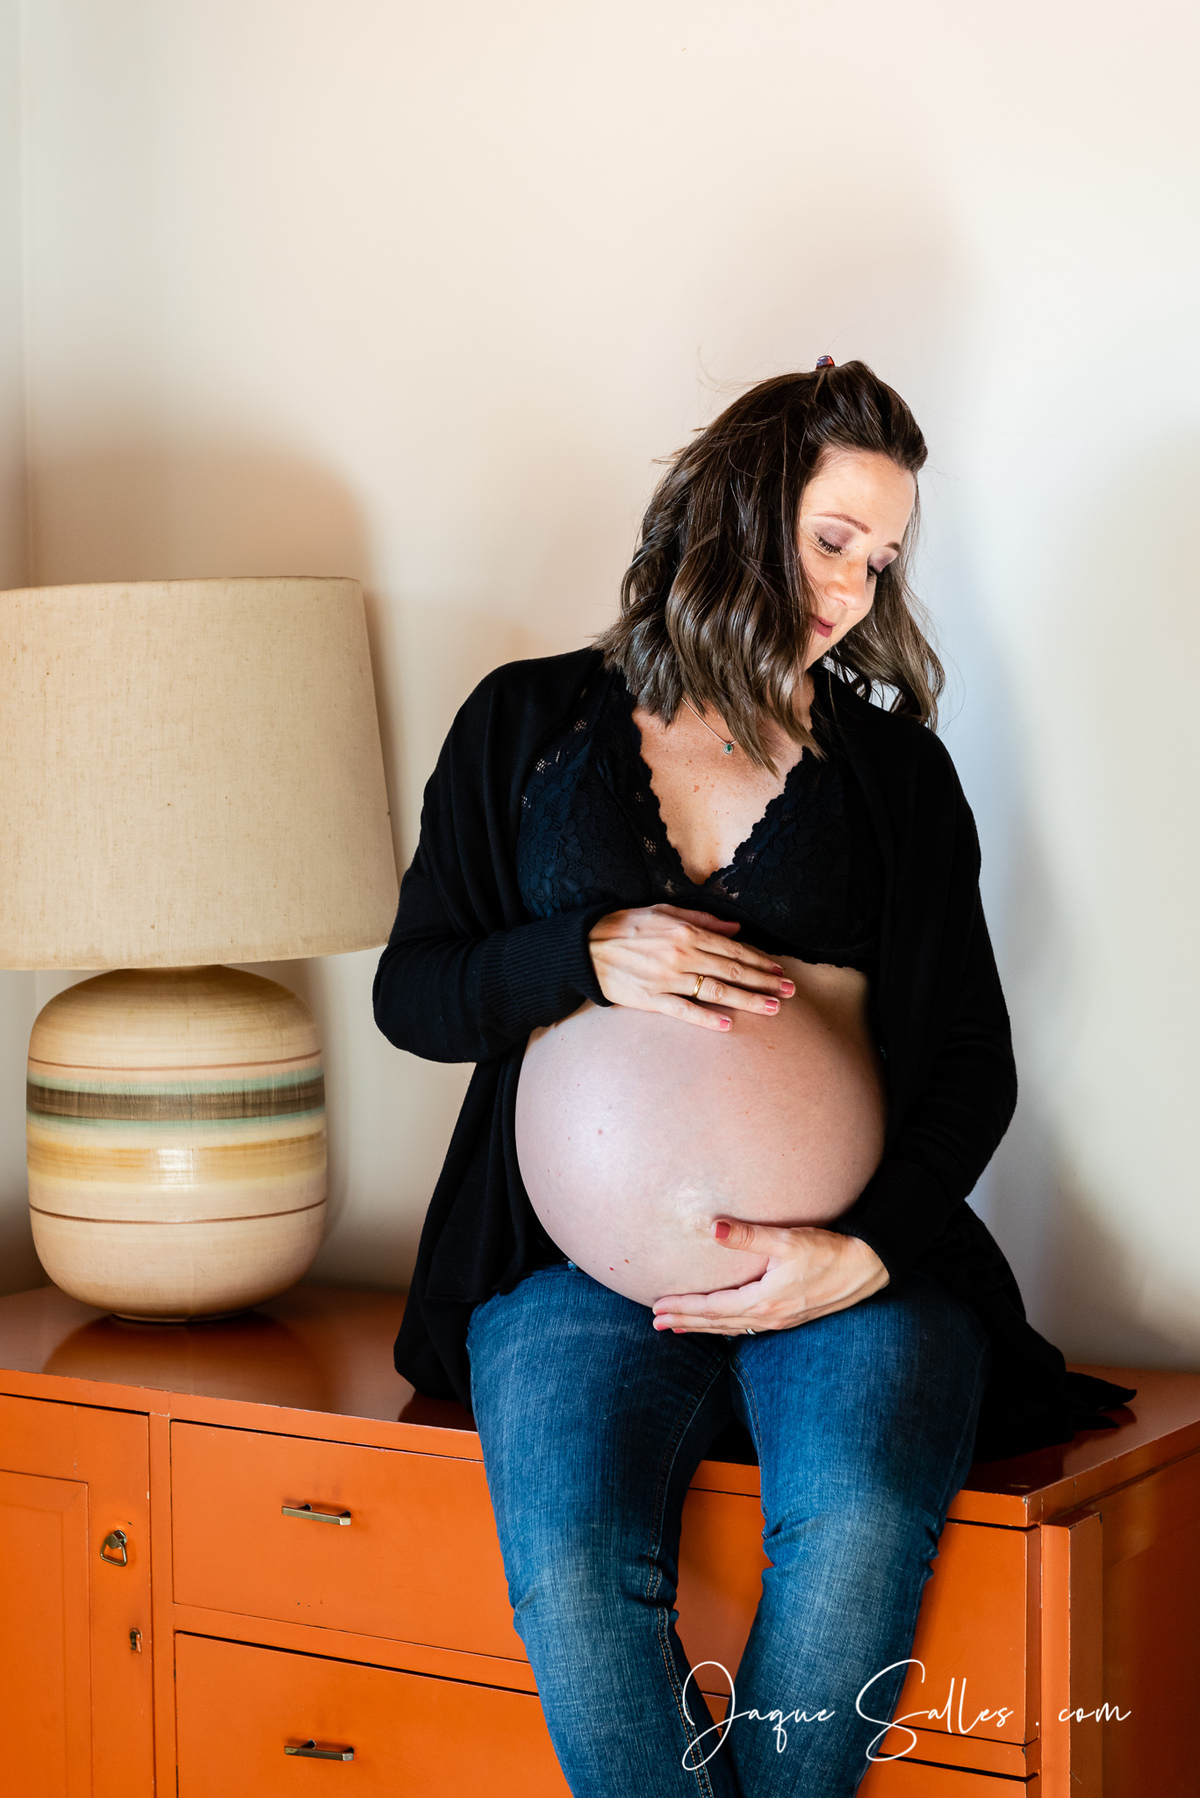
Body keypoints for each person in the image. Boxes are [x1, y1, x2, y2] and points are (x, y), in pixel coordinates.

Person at [373, 360, 1133, 1796]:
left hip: (850, 1273)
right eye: (832, 537)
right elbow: (413, 993)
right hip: (572, 1275)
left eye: (885, 556)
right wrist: (583, 953)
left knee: (855, 1524)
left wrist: (857, 1253)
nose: (853, 588)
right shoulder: (524, 725)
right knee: (574, 1561)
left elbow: (971, 1062)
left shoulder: (895, 776)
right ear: (738, 505)